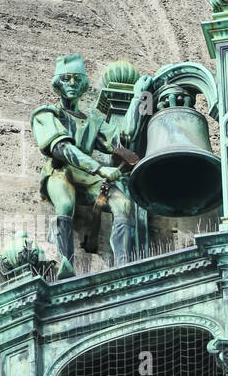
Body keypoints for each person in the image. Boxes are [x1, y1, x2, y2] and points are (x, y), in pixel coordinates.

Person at [31, 54, 147, 277]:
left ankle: (122, 263)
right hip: (61, 170)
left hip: (88, 175)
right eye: (66, 79)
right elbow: (61, 148)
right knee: (64, 204)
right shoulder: (46, 114)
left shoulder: (93, 120)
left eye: (77, 79)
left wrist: (138, 99)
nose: (72, 84)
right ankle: (62, 262)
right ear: (57, 84)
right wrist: (100, 168)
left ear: (84, 84)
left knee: (123, 205)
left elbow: (123, 139)